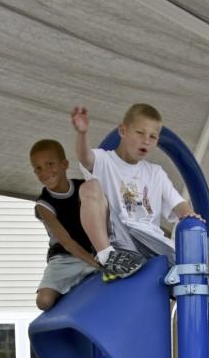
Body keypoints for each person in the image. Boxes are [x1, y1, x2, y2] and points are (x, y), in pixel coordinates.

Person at [71, 102, 201, 281]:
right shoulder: (104, 160)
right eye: (140, 133)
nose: (146, 141)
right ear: (123, 131)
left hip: (149, 241)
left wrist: (190, 215)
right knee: (89, 187)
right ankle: (107, 257)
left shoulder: (155, 173)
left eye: (153, 137)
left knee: (193, 269)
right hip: (119, 239)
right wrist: (82, 133)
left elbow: (179, 206)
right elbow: (84, 157)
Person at [30, 139, 98, 311]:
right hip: (64, 259)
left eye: (49, 164)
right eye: (38, 168)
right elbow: (67, 243)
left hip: (92, 252)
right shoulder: (43, 205)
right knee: (43, 302)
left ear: (64, 164)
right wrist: (97, 265)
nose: (45, 172)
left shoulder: (83, 187)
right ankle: (66, 295)